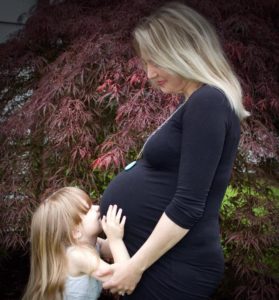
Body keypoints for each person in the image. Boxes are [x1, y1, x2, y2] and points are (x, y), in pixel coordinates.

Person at [98, 2, 250, 300]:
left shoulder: (208, 101)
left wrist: (134, 267)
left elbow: (188, 204)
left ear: (184, 51)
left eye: (156, 60)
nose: (150, 73)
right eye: (145, 63)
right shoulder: (198, 101)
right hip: (162, 262)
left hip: (175, 267)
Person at [22, 187, 129, 300]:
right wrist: (115, 240)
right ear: (75, 232)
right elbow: (123, 279)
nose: (97, 208)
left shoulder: (93, 242)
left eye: (92, 204)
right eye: (87, 210)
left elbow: (112, 250)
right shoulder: (78, 255)